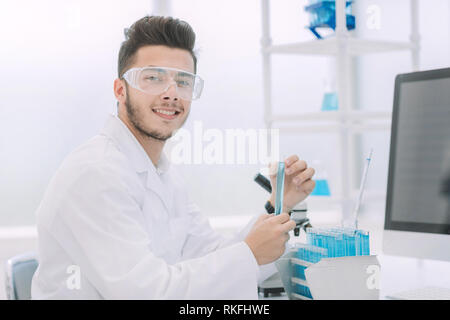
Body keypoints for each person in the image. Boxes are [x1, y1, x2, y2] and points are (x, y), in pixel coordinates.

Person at [31, 15, 316, 299]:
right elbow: (147, 293)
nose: (171, 93)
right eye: (153, 78)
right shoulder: (95, 174)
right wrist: (249, 254)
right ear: (120, 90)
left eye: (183, 81)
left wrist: (280, 202)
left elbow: (210, 254)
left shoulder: (162, 173)